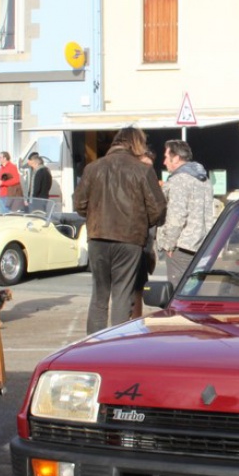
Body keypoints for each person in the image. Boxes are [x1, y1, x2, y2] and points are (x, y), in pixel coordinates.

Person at [74, 127, 166, 333]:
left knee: (99, 295)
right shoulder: (142, 169)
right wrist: (142, 223)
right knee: (122, 295)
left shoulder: (93, 168)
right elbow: (158, 209)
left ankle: (94, 345)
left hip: (98, 236)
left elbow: (79, 204)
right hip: (129, 239)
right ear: (136, 143)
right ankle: (116, 345)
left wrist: (96, 217)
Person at [158, 139, 217, 286]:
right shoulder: (203, 179)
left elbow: (177, 217)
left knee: (178, 292)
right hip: (203, 244)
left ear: (176, 158)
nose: (164, 162)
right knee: (196, 290)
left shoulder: (179, 180)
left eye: (166, 157)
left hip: (183, 246)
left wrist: (169, 244)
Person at [130, 148, 160, 319]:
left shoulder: (150, 179)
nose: (146, 169)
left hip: (143, 240)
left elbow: (157, 208)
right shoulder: (130, 179)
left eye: (149, 166)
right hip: (130, 238)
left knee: (138, 286)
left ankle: (135, 320)